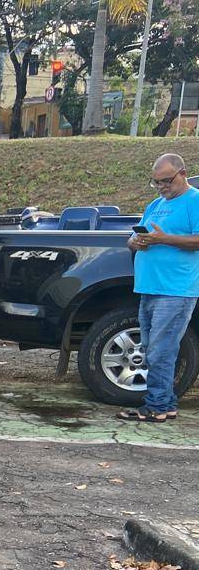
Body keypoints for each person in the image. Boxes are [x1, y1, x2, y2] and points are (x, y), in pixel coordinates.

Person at [121, 153, 199, 422]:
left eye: (166, 181)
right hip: (150, 287)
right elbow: (133, 239)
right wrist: (137, 243)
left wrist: (165, 239)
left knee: (161, 349)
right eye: (156, 182)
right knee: (155, 348)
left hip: (176, 289)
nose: (162, 187)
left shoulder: (195, 201)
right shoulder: (155, 204)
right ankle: (165, 404)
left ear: (183, 173)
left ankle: (156, 406)